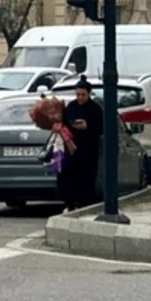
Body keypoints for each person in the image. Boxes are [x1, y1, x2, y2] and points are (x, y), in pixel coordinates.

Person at [57, 76, 104, 210]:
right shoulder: (71, 106)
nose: (80, 98)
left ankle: (85, 202)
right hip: (71, 148)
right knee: (69, 176)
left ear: (89, 94)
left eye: (83, 95)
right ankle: (69, 202)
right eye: (78, 94)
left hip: (88, 149)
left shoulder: (95, 109)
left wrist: (87, 126)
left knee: (86, 177)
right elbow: (65, 123)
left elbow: (100, 128)